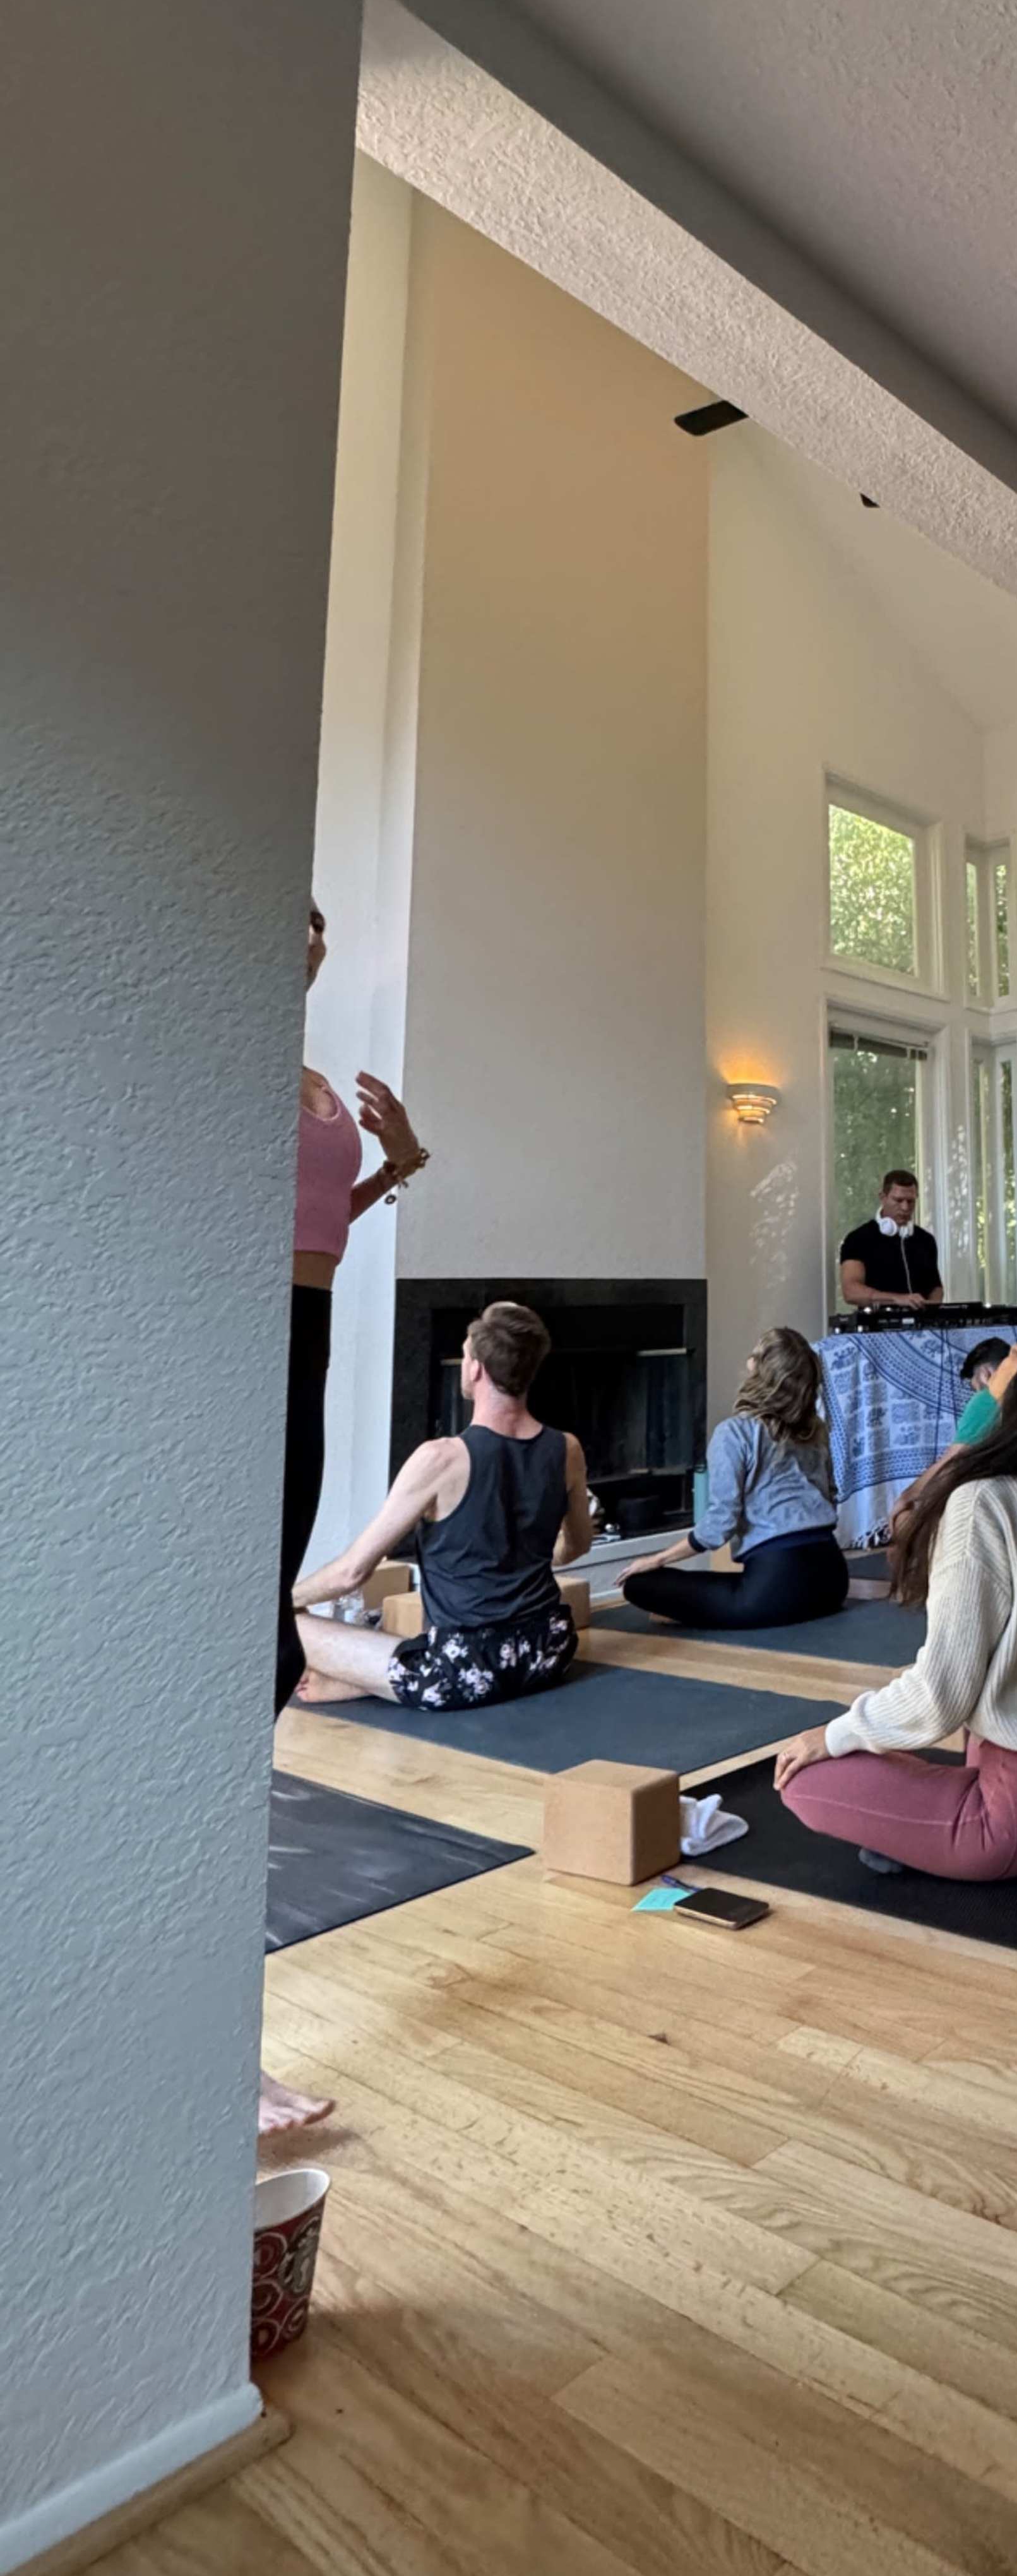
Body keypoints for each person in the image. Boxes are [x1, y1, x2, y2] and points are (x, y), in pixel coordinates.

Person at [770, 1328, 1017, 1881]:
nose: (1004, 1358)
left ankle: (919, 1833)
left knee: (803, 1781)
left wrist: (830, 1735)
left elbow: (939, 1698)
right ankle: (919, 1826)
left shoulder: (986, 1501)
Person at [263, 896, 427, 2134]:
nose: (311, 932)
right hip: (243, 1331)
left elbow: (326, 1224)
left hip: (305, 1337)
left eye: (319, 920)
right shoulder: (215, 1042)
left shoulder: (316, 1074)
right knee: (254, 1650)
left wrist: (401, 1162)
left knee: (265, 1641)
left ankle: (221, 2030)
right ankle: (226, 2041)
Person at [288, 1301, 590, 1706]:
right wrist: (516, 1564)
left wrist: (280, 1600)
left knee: (286, 1620)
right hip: (549, 1651)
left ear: (477, 1368)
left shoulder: (441, 1459)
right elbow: (576, 1546)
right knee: (422, 1648)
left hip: (464, 1671)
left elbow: (351, 1573)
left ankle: (369, 1679)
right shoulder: (566, 1449)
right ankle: (364, 1680)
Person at [616, 1327, 847, 1630]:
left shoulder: (734, 1432)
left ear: (762, 1370)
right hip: (832, 1579)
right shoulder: (815, 1430)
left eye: (756, 1352)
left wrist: (658, 1559)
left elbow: (719, 1526)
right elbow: (830, 1494)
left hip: (774, 1590)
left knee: (638, 1584)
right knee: (718, 1585)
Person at [838, 1169, 944, 1308]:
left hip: (924, 1326)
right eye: (898, 1201)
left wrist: (932, 1311)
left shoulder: (926, 1240)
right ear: (883, 1198)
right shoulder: (858, 1239)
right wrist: (896, 1299)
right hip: (876, 1326)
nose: (905, 1207)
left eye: (911, 1201)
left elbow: (935, 1288)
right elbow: (851, 1291)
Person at [955, 1335, 1014, 1447]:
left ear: (985, 1374)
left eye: (977, 1388)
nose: (977, 1394)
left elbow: (955, 1461)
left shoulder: (987, 1398)